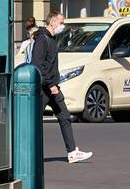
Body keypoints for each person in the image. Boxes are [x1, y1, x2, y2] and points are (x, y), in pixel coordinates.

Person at [30, 12, 92, 164]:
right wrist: (50, 84)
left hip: (52, 86)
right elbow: (38, 64)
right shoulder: (42, 39)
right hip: (45, 87)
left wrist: (53, 84)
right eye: (61, 23)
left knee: (64, 116)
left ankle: (72, 152)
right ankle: (28, 154)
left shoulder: (50, 38)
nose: (62, 26)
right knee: (33, 121)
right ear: (52, 23)